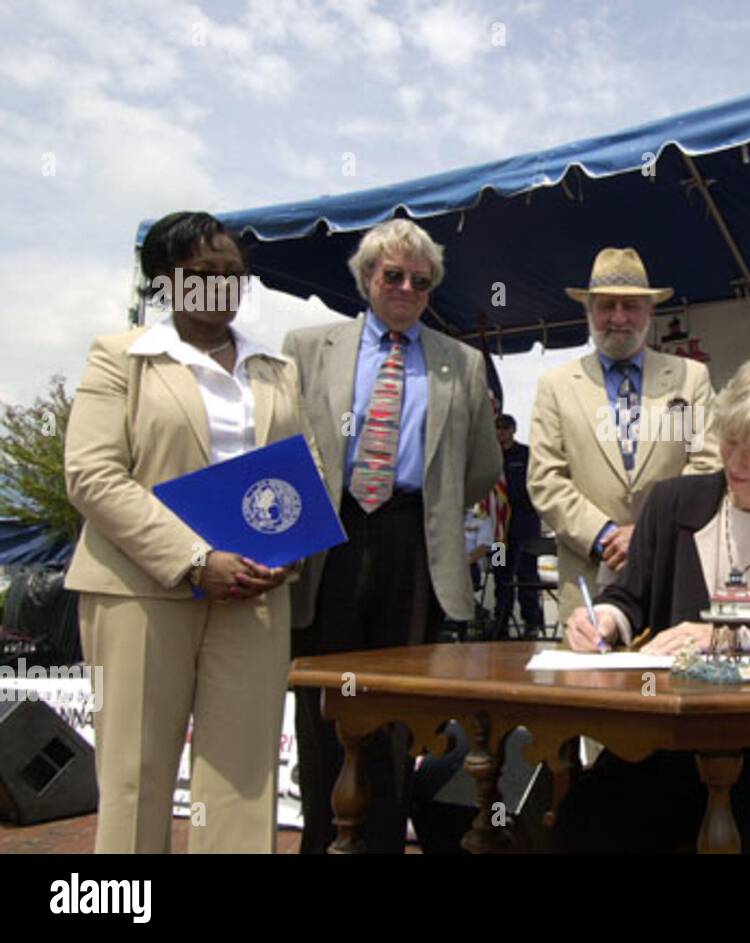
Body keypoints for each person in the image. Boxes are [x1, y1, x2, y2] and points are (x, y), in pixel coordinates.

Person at [64, 211, 314, 853]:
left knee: (243, 774)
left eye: (235, 274)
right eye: (205, 273)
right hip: (143, 590)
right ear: (167, 281)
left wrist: (289, 554)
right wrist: (196, 557)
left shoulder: (276, 369)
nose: (222, 286)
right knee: (135, 772)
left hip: (254, 596)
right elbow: (93, 476)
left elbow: (298, 476)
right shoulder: (121, 358)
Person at [558, 351, 750, 852]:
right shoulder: (672, 504)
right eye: (730, 440)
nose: (736, 461)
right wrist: (604, 619)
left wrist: (733, 638)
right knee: (584, 819)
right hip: (666, 740)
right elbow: (630, 596)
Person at [283, 218, 500, 854]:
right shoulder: (306, 347)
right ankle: (324, 841)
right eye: (394, 275)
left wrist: (428, 505)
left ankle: (379, 842)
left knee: (399, 712)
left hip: (415, 546)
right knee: (325, 706)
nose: (407, 288)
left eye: (422, 281)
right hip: (330, 540)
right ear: (366, 278)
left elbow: (482, 465)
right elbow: (282, 440)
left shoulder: (462, 363)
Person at [528, 246, 721, 622]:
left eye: (631, 305)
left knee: (669, 678)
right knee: (590, 681)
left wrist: (647, 533)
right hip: (587, 579)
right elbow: (545, 479)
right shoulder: (556, 385)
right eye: (606, 305)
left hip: (671, 575)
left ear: (650, 311)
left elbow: (703, 464)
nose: (619, 317)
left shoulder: (687, 379)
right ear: (589, 312)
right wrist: (604, 536)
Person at [491, 414, 544, 637]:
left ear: (513, 430)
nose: (501, 432)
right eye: (497, 428)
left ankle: (531, 623)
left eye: (505, 428)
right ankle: (500, 621)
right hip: (498, 530)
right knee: (500, 574)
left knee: (526, 575)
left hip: (524, 525)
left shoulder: (526, 454)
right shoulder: (489, 457)